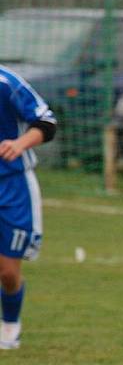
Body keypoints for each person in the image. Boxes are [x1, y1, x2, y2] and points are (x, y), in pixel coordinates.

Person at [0, 66, 56, 350]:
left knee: (8, 272)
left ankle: (10, 323)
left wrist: (20, 143)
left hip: (11, 187)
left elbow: (47, 123)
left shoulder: (7, 83)